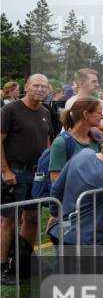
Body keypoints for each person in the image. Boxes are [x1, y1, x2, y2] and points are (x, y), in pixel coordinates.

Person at [0, 74, 52, 284]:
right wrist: (5, 171)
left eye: (44, 86)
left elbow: (48, 143)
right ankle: (3, 266)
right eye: (36, 85)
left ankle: (23, 262)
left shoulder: (45, 112)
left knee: (31, 220)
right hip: (16, 172)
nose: (40, 89)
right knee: (9, 221)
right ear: (27, 87)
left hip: (38, 175)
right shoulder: (10, 110)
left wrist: (48, 170)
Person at [44, 97, 103, 240]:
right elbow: (56, 179)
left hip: (92, 208)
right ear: (86, 114)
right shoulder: (62, 142)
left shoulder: (96, 139)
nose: (102, 116)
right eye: (99, 113)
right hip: (70, 210)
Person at [65, 68, 103, 134]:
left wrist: (98, 126)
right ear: (81, 83)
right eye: (93, 81)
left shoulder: (100, 102)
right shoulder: (73, 102)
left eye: (97, 81)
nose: (97, 84)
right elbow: (81, 130)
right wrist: (101, 128)